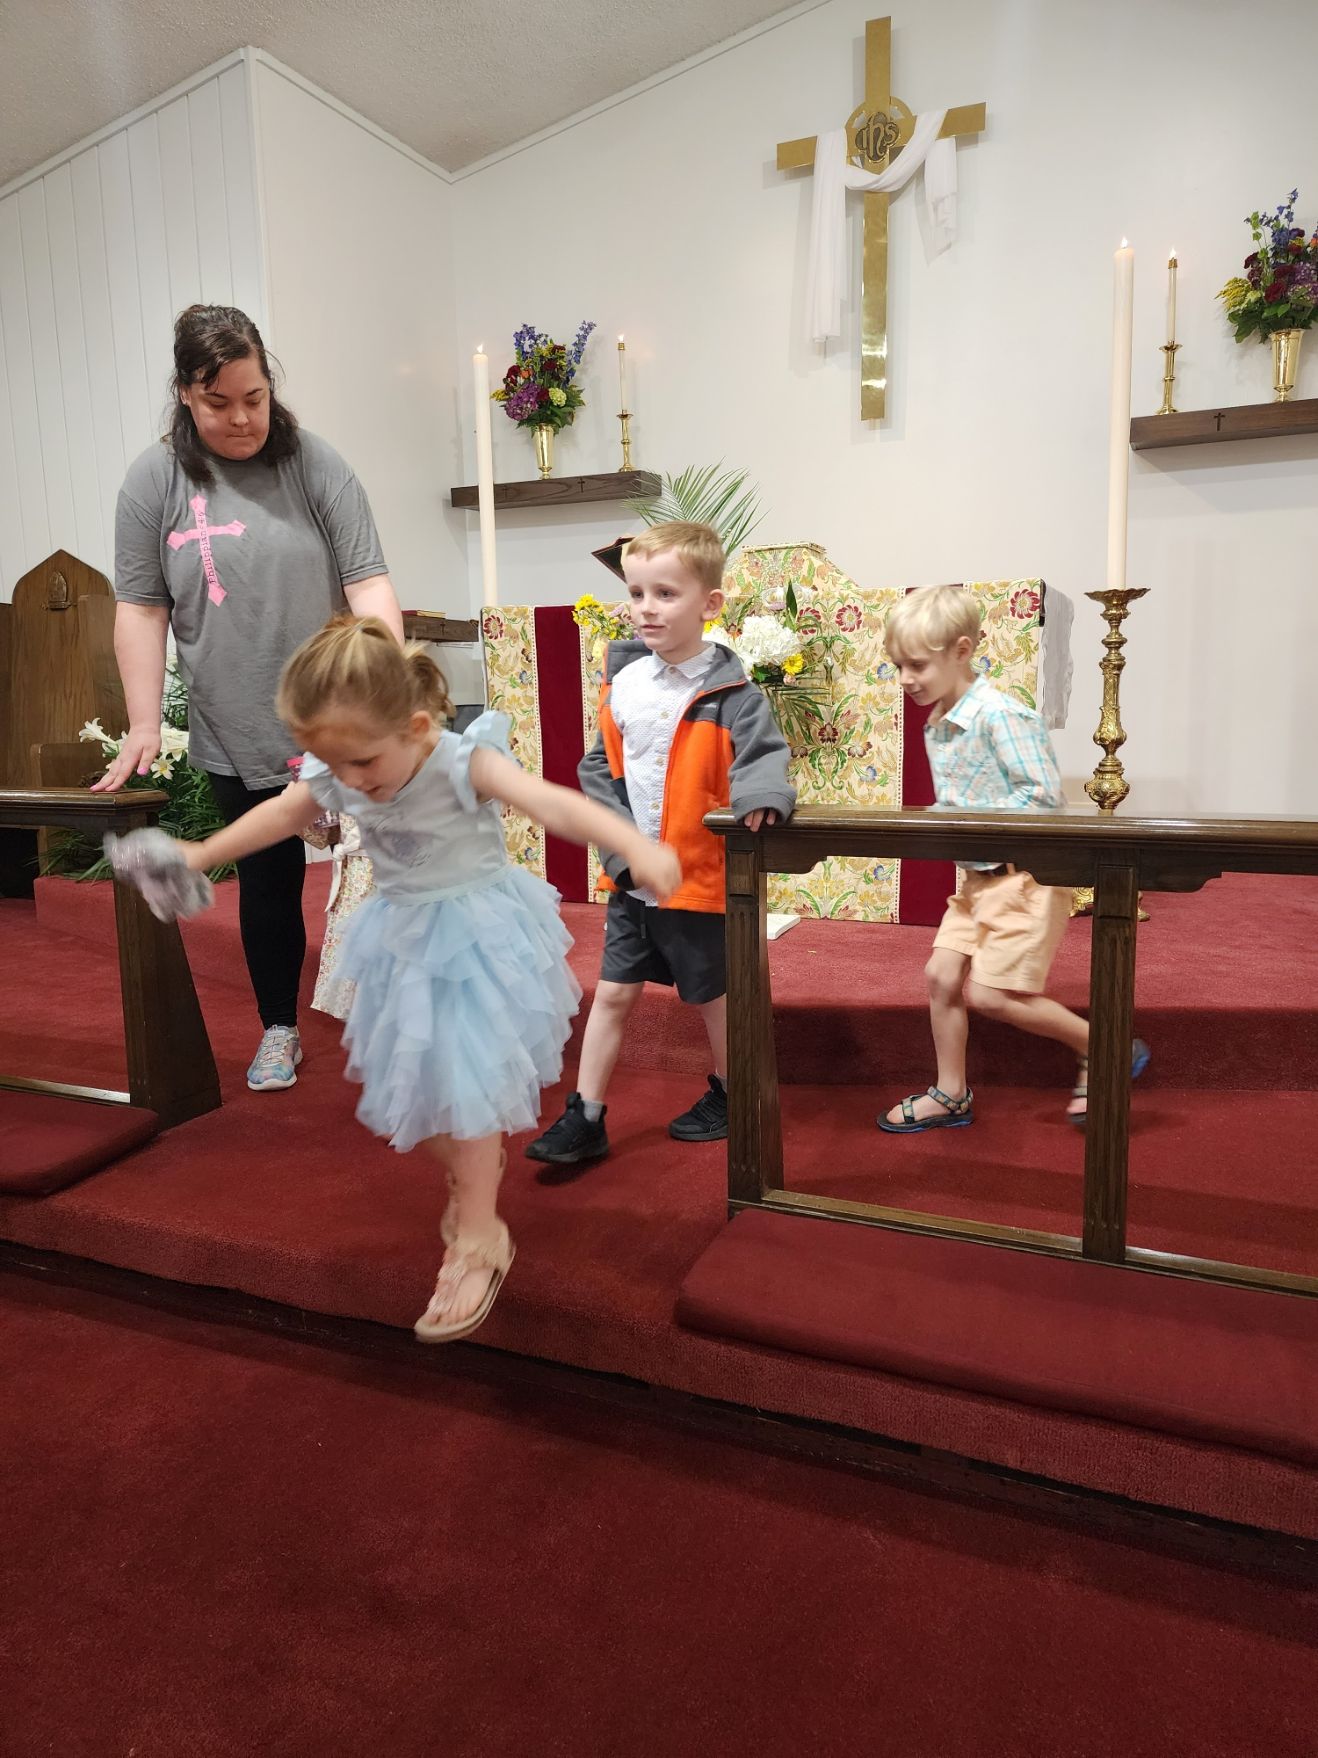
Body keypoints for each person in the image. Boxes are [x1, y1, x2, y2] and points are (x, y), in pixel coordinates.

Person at [108, 616, 681, 1342]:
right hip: (401, 939)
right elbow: (283, 815)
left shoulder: (460, 762)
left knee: (466, 1092)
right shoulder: (340, 767)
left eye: (363, 765)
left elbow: (553, 803)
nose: (349, 785)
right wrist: (200, 853)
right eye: (332, 767)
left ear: (415, 726)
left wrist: (633, 844)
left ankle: (478, 1239)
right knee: (413, 1098)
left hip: (475, 940)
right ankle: (470, 1165)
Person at [93, 303, 403, 1096]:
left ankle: (406, 1019)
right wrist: (139, 722)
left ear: (271, 384)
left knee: (392, 864)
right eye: (218, 402)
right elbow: (140, 606)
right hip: (234, 717)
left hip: (335, 712)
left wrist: (386, 695)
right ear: (185, 395)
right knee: (268, 879)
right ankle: (280, 1027)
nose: (240, 418)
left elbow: (368, 583)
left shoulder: (313, 464)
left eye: (254, 398)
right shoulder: (152, 479)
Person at [525, 521, 795, 1166]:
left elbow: (763, 755)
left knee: (711, 997)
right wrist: (618, 850)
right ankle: (586, 1115)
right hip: (632, 880)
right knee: (613, 992)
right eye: (637, 591)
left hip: (699, 879)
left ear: (710, 605)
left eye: (666, 593)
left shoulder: (732, 692)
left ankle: (734, 1093)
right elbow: (599, 767)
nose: (646, 606)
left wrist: (761, 794)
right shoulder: (624, 684)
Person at [876, 585, 1148, 1133]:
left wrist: (969, 822)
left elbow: (1042, 798)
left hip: (1026, 878)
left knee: (993, 996)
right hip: (978, 880)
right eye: (898, 666)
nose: (905, 679)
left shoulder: (1002, 715)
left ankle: (1105, 1047)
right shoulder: (937, 720)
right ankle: (951, 1093)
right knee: (941, 976)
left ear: (961, 650)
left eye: (917, 665)